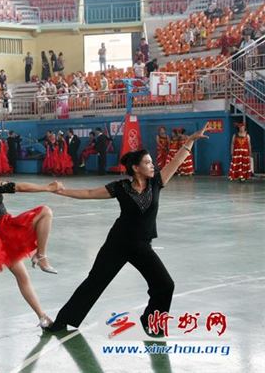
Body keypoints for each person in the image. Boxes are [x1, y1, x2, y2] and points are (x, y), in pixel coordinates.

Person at [47, 125, 210, 335]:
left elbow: (176, 161)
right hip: (117, 244)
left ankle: (151, 321)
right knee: (95, 282)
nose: (152, 165)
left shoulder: (156, 183)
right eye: (147, 163)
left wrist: (190, 141)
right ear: (136, 168)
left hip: (142, 246)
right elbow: (89, 193)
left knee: (165, 285)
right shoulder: (121, 187)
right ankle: (62, 321)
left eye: (151, 162)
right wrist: (61, 192)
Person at [0, 140, 62, 330]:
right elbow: (19, 187)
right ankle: (41, 256)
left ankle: (42, 317)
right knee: (46, 212)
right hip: (5, 229)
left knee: (23, 278)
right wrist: (48, 188)